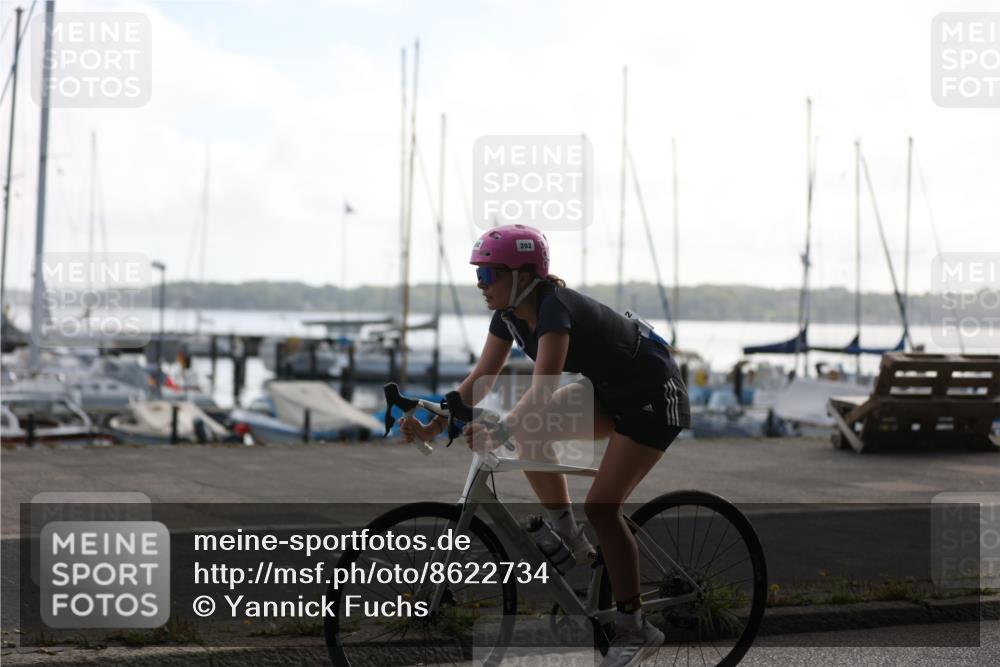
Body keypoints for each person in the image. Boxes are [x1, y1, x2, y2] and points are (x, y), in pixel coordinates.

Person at [399, 223, 691, 667]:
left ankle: (636, 627)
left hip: (654, 397)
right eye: (477, 274)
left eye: (487, 275)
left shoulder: (554, 310)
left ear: (522, 276)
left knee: (602, 506)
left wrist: (500, 430)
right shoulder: (509, 315)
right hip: (610, 392)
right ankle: (570, 541)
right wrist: (434, 422)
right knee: (532, 431)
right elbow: (480, 380)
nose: (480, 285)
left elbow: (539, 392)